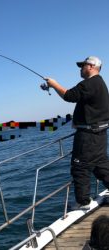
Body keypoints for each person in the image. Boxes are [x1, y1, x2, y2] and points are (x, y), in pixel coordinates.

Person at [45, 56, 109, 209]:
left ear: (92, 66)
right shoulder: (100, 83)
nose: (80, 68)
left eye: (83, 65)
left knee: (79, 168)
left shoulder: (89, 83)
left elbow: (69, 96)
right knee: (100, 165)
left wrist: (53, 84)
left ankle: (83, 203)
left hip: (88, 136)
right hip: (100, 135)